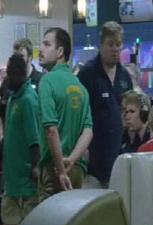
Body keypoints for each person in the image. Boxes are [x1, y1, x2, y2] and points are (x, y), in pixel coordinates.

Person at [38, 28, 94, 198]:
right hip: (77, 169)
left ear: (60, 51)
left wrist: (61, 170)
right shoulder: (81, 87)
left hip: (54, 169)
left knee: (48, 216)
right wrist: (72, 160)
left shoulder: (47, 81)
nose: (41, 49)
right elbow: (88, 132)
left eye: (47, 44)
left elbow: (51, 130)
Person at [78, 21, 133, 188]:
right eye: (110, 44)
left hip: (117, 158)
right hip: (92, 161)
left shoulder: (124, 77)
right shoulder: (88, 74)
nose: (115, 49)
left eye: (118, 44)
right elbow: (80, 114)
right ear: (101, 45)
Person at [0, 53, 41, 225]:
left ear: (21, 74)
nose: (8, 78)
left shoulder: (28, 100)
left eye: (11, 74)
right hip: (12, 182)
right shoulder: (13, 98)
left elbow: (35, 141)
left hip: (25, 187)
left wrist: (35, 168)